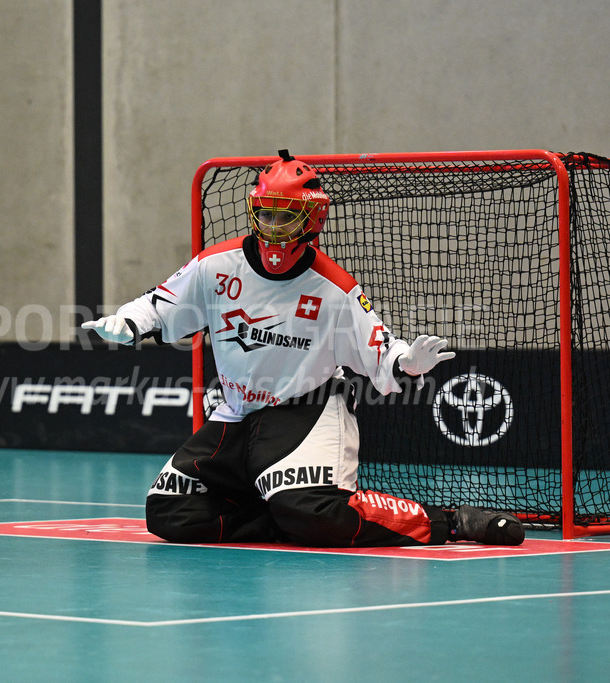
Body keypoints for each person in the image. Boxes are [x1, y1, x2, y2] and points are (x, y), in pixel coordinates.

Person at [83, 150, 525, 548]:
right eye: (267, 214)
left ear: (312, 219)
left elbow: (379, 347)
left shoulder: (334, 288)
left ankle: (448, 522)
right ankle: (281, 519)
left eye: (286, 217)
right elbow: (162, 303)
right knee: (169, 511)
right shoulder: (215, 265)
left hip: (307, 410)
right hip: (237, 413)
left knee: (316, 514)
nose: (274, 228)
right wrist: (129, 322)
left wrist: (405, 361)